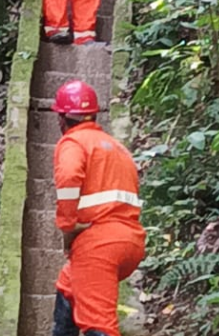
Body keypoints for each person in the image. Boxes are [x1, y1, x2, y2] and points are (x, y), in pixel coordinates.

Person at [49, 80, 146, 336]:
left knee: (98, 324)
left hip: (99, 246)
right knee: (68, 285)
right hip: (130, 240)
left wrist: (67, 225)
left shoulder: (74, 143)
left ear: (62, 118)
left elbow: (69, 177)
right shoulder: (117, 147)